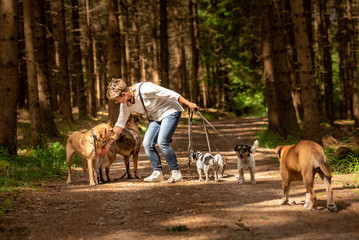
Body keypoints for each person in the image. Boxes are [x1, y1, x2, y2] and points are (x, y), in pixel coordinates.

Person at [100, 78, 199, 183]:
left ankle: (176, 173)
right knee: (147, 143)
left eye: (116, 99)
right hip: (156, 117)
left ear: (124, 94)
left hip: (170, 111)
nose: (116, 102)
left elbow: (169, 93)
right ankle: (157, 173)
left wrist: (189, 103)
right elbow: (119, 125)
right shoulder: (125, 105)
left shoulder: (145, 89)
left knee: (162, 142)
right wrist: (108, 143)